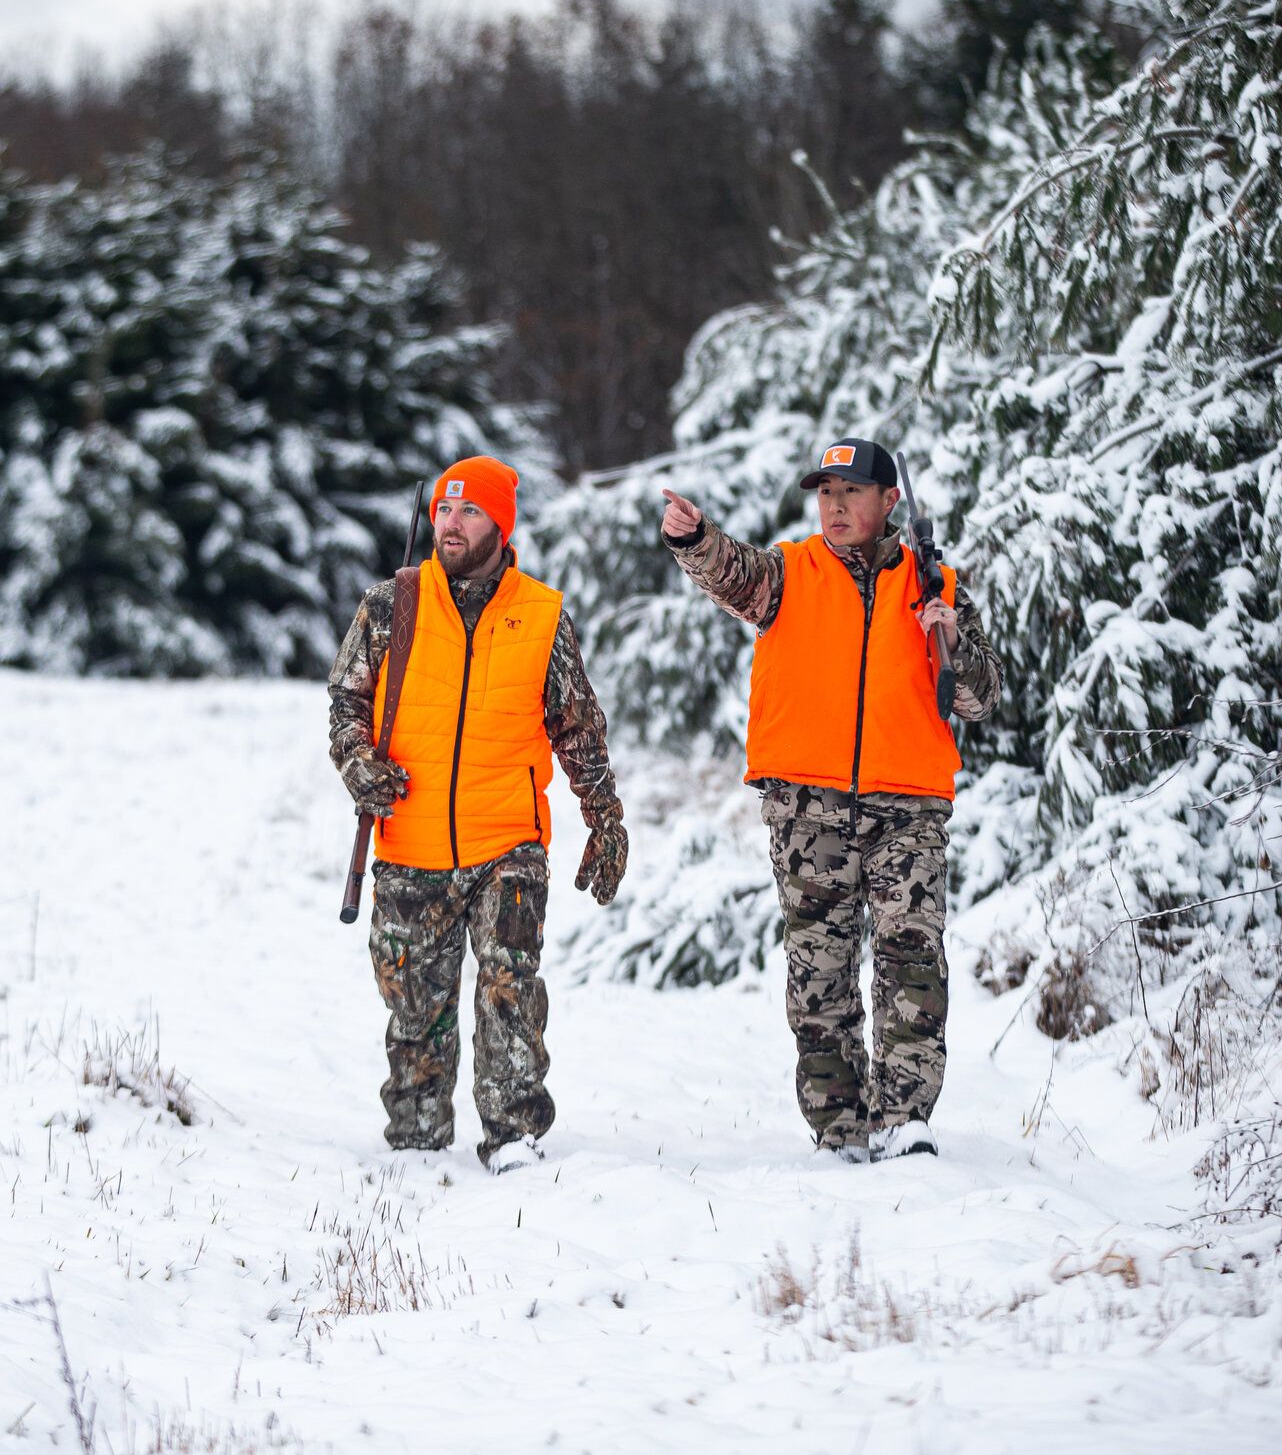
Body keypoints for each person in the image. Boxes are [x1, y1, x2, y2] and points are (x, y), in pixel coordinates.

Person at [659, 438, 1000, 1163]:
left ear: (888, 503)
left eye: (851, 492)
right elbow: (733, 572)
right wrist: (696, 539)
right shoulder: (791, 572)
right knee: (821, 973)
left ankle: (904, 1118)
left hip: (908, 804)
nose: (836, 506)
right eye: (825, 493)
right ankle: (838, 1125)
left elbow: (977, 698)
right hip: (807, 809)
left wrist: (951, 641)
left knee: (910, 954)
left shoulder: (933, 582)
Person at [328, 456, 627, 1173]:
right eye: (443, 509)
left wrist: (604, 818)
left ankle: (515, 1136)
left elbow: (579, 728)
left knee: (507, 992)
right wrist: (358, 765)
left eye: (468, 511)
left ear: (500, 523)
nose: (451, 523)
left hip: (508, 843)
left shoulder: (542, 614)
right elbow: (346, 704)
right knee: (414, 1006)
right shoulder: (389, 604)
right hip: (410, 840)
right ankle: (417, 1138)